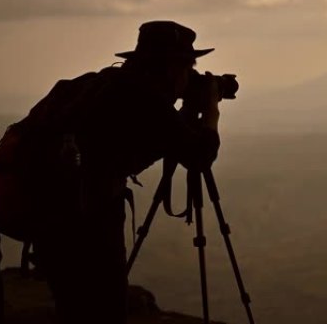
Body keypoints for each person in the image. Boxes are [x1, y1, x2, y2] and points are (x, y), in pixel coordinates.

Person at [32, 21, 222, 324]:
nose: (190, 78)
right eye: (189, 68)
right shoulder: (145, 99)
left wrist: (185, 111)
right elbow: (199, 155)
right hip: (91, 223)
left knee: (74, 310)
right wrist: (211, 110)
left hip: (51, 217)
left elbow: (167, 137)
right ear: (173, 67)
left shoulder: (113, 85)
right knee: (106, 311)